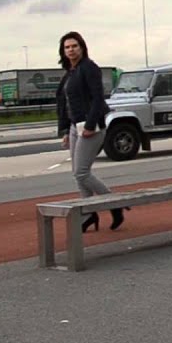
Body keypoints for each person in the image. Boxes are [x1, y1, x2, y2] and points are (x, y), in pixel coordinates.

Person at [56, 31, 125, 232]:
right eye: (67, 47)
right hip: (74, 126)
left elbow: (97, 99)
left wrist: (89, 125)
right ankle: (89, 213)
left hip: (91, 126)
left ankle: (114, 204)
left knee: (81, 171)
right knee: (78, 174)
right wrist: (65, 131)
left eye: (74, 46)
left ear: (82, 47)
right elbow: (64, 103)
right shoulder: (69, 71)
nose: (71, 50)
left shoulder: (89, 68)